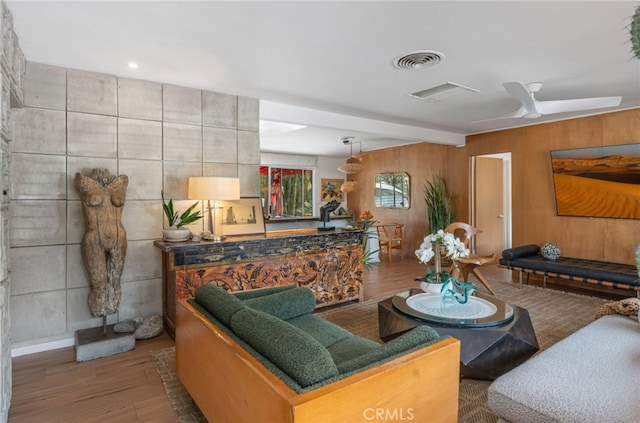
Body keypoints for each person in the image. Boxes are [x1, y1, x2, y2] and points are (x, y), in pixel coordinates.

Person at [75, 168, 128, 318]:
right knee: (99, 283)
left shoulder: (120, 185)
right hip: (94, 237)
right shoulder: (85, 184)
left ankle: (113, 308)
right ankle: (100, 312)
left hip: (119, 236)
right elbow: (78, 181)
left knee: (116, 280)